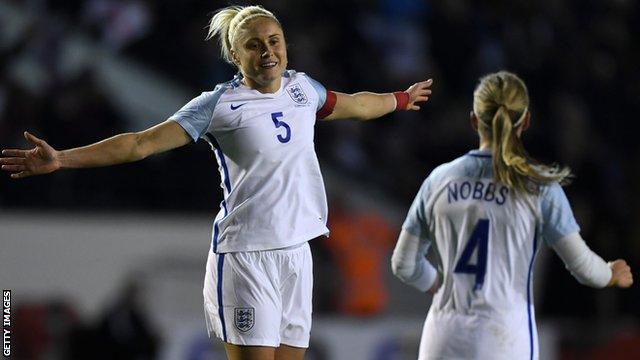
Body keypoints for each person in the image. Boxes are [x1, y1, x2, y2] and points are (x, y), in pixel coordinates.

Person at [1, 5, 433, 360]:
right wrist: (62, 160)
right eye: (254, 45)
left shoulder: (303, 90)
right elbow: (140, 143)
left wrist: (400, 99)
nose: (267, 51)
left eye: (274, 41)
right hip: (246, 256)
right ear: (235, 55)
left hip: (298, 254)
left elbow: (356, 104)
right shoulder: (219, 105)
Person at [390, 71, 633, 360]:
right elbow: (582, 266)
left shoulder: (438, 180)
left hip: (442, 336)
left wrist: (438, 285)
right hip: (503, 337)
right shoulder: (538, 186)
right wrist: (610, 274)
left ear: (474, 121)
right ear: (526, 122)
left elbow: (403, 264)